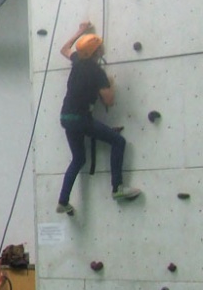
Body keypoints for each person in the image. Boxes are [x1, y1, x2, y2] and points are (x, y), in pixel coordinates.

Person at [57, 21, 141, 215]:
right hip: (81, 119)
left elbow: (64, 49)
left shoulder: (77, 61)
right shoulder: (97, 73)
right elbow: (109, 101)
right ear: (96, 51)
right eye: (100, 46)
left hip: (66, 117)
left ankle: (63, 201)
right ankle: (118, 188)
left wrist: (80, 31)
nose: (103, 47)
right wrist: (110, 84)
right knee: (118, 142)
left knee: (78, 158)